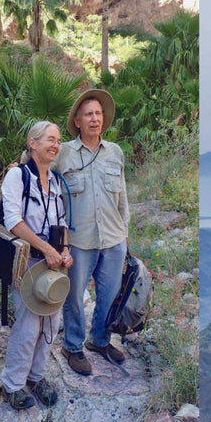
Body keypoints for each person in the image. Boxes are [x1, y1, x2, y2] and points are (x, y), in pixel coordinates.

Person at [56, 88, 129, 375]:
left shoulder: (115, 152)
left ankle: (99, 340)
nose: (95, 118)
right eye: (88, 114)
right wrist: (18, 165)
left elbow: (123, 196)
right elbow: (35, 167)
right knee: (74, 297)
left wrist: (125, 233)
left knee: (109, 294)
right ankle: (72, 346)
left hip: (113, 238)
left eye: (98, 113)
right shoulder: (63, 153)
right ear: (77, 120)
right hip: (78, 240)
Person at [0, 121, 71, 410]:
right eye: (49, 140)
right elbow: (13, 220)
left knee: (51, 320)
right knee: (29, 325)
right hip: (27, 260)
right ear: (32, 143)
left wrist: (64, 250)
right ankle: (13, 384)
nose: (55, 145)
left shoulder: (55, 181)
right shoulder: (17, 177)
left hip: (52, 262)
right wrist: (46, 248)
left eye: (58, 141)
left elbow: (63, 221)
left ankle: (37, 377)